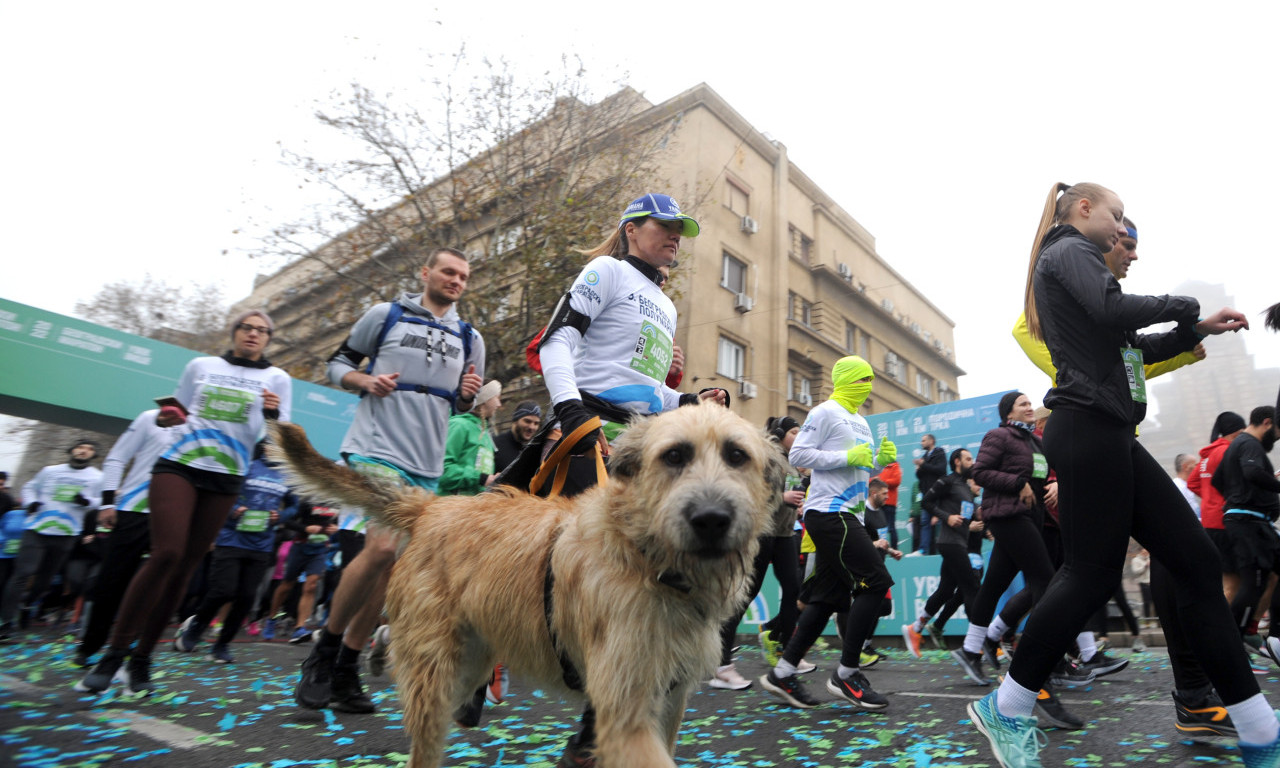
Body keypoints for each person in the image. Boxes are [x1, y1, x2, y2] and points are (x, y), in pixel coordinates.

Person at [967, 182, 1272, 768]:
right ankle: (1008, 704)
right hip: (1088, 430)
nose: (1122, 234)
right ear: (1085, 209)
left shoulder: (1079, 268)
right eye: (1118, 219)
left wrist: (1196, 330)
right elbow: (1113, 310)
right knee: (1088, 573)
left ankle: (1258, 728)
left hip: (1107, 433)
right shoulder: (1068, 250)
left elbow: (1133, 355)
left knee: (1195, 562)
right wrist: (1185, 305)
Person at [504, 192, 723, 767]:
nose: (675, 236)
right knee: (572, 568)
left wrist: (689, 399)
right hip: (587, 430)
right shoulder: (605, 271)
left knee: (636, 583)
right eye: (664, 226)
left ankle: (593, 734)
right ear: (631, 229)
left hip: (636, 445)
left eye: (680, 230)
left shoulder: (666, 304)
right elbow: (558, 343)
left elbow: (646, 390)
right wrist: (571, 411)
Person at [295, 246, 484, 714]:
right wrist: (364, 382)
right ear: (426, 272)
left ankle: (347, 666)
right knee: (379, 548)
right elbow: (337, 365)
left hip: (426, 464)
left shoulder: (469, 337)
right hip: (376, 447)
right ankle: (323, 652)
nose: (456, 281)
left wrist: (466, 397)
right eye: (448, 271)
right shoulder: (386, 315)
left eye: (463, 276)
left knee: (390, 567)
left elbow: (461, 404)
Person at [77, 310, 292, 694]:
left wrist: (273, 414)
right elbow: (173, 417)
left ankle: (142, 659)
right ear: (235, 332)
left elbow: (279, 438)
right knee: (167, 554)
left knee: (185, 568)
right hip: (180, 464)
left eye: (262, 330)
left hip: (227, 476)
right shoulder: (200, 366)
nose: (254, 334)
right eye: (247, 327)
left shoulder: (278, 378)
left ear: (268, 339)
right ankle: (114, 653)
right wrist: (166, 417)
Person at [757, 355, 897, 711]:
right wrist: (849, 457)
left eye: (871, 379)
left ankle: (783, 673)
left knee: (826, 599)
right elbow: (800, 455)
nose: (869, 386)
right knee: (876, 583)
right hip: (830, 512)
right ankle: (847, 674)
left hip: (850, 513)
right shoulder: (824, 412)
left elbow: (857, 463)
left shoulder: (861, 421)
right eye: (863, 378)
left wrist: (879, 461)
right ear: (846, 378)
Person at [72, 407, 183, 667]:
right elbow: (117, 457)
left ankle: (134, 646)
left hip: (175, 514)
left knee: (159, 583)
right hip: (135, 509)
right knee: (112, 580)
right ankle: (91, 645)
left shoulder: (210, 425)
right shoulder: (152, 417)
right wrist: (107, 502)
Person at [174, 442, 298, 662]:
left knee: (247, 597)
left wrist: (281, 516)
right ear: (264, 447)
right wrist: (233, 509)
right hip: (232, 539)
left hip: (261, 544)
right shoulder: (246, 466)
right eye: (273, 445)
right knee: (223, 591)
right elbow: (222, 492)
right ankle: (194, 628)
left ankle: (222, 645)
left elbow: (294, 506)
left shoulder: (286, 475)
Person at [712, 415, 805, 690]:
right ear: (781, 434)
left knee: (794, 590)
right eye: (794, 432)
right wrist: (783, 498)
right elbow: (751, 493)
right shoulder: (765, 458)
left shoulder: (793, 462)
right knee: (745, 594)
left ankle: (786, 652)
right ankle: (722, 666)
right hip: (762, 534)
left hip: (785, 534)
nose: (799, 436)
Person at [0, 440, 102, 642]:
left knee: (45, 579)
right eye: (80, 447)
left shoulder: (98, 477)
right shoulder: (50, 471)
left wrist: (88, 501)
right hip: (37, 529)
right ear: (72, 450)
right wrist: (31, 502)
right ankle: (6, 623)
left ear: (94, 455)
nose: (84, 451)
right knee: (23, 573)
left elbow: (104, 500)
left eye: (89, 449)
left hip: (67, 533)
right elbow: (30, 487)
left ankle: (27, 604)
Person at [903, 448, 980, 658]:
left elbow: (965, 518)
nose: (972, 462)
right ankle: (977, 645)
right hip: (950, 543)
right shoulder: (947, 481)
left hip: (959, 543)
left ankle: (915, 628)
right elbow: (926, 502)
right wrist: (947, 517)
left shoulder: (965, 487)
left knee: (946, 590)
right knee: (972, 588)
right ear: (957, 462)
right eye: (968, 459)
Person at [1215, 407, 1280, 647]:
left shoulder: (1237, 445)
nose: (1277, 438)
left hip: (1252, 521)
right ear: (1267, 423)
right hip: (1248, 523)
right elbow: (1252, 472)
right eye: (1278, 431)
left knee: (1270, 575)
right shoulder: (1250, 443)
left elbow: (1217, 480)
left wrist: (1238, 495)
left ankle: (1273, 635)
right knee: (1254, 582)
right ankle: (1233, 640)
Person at [440, 381, 502, 496]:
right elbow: (443, 469)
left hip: (474, 505)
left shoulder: (485, 433)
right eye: (497, 398)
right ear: (485, 399)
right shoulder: (459, 425)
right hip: (450, 504)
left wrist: (492, 480)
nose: (499, 404)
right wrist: (481, 478)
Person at [914, 434, 946, 554]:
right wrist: (918, 469)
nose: (921, 443)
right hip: (926, 496)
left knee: (940, 522)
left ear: (931, 441)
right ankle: (923, 550)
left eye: (924, 440)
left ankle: (943, 550)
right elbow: (921, 476)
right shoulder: (924, 457)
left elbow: (941, 470)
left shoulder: (939, 453)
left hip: (938, 495)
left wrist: (923, 465)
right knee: (925, 523)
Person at [493, 400, 541, 473]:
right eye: (527, 421)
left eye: (536, 423)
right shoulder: (495, 445)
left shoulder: (532, 452)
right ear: (515, 420)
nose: (532, 427)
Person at [878, 458, 903, 550]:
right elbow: (871, 482)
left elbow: (896, 481)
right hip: (878, 503)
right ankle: (879, 549)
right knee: (879, 528)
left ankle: (895, 550)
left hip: (889, 503)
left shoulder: (895, 466)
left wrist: (881, 481)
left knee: (891, 528)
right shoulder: (878, 467)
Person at [1173, 453, 1202, 520]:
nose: (1198, 468)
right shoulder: (1179, 487)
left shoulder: (1187, 484)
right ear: (1185, 467)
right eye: (1195, 465)